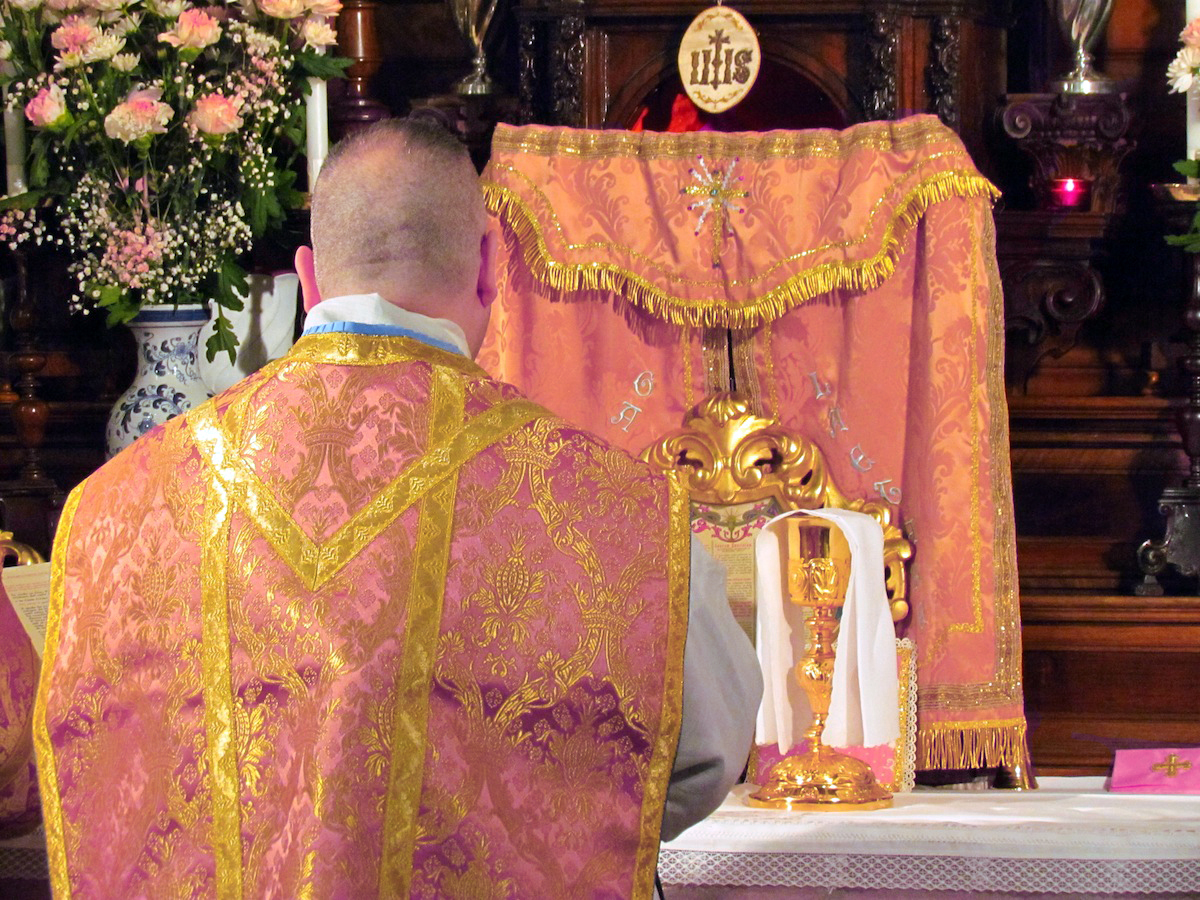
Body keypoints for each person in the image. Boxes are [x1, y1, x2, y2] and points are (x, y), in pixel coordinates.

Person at [36, 116, 760, 897]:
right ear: (491, 267)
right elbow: (703, 753)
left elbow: (94, 774)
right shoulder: (622, 512)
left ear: (308, 280)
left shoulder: (112, 511)